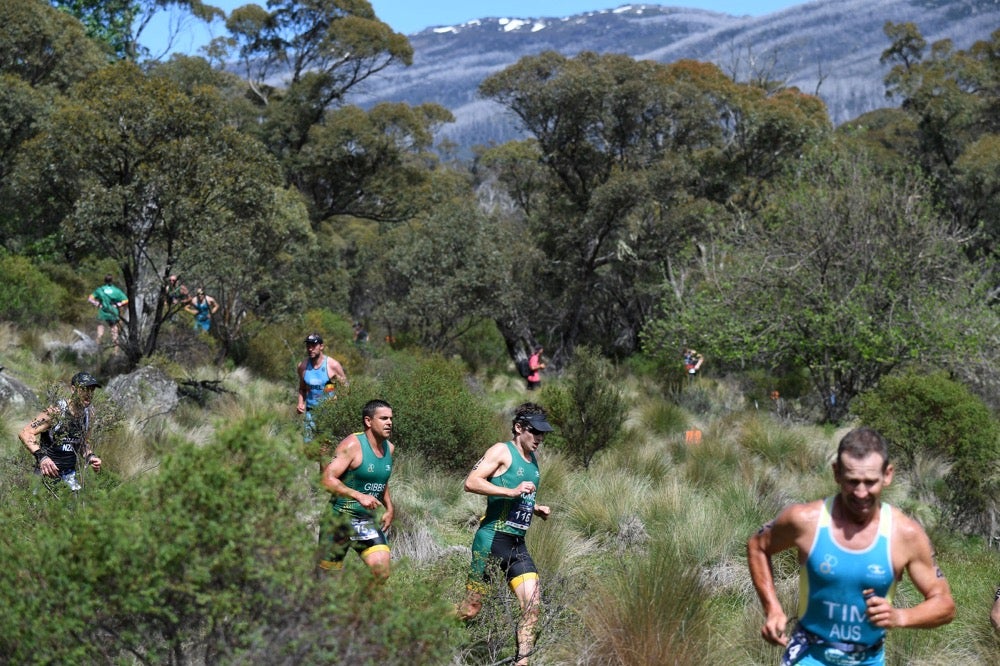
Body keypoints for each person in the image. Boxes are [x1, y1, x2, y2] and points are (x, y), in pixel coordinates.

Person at [747, 427, 955, 666]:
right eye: (852, 481)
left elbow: (944, 604)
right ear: (836, 473)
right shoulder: (806, 520)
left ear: (888, 475)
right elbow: (758, 545)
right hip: (810, 655)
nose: (861, 492)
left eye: (870, 482)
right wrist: (772, 608)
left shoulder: (905, 535)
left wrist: (901, 616)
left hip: (868, 659)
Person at [457, 402, 554, 666]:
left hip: (516, 544)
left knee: (532, 606)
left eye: (543, 433)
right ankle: (428, 629)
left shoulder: (532, 460)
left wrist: (534, 508)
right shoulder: (502, 451)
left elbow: (519, 493)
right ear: (519, 427)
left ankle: (521, 663)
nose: (540, 438)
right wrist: (510, 493)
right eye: (535, 432)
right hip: (491, 540)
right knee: (470, 609)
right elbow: (471, 482)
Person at [318, 399, 395, 580]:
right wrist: (358, 495)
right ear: (368, 421)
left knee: (381, 573)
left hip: (364, 521)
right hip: (338, 520)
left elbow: (381, 480)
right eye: (384, 418)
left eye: (391, 418)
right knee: (325, 581)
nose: (389, 423)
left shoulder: (389, 448)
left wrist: (390, 508)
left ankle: (358, 607)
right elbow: (326, 479)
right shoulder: (352, 445)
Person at [18, 372, 103, 492]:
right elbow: (25, 432)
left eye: (92, 390)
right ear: (73, 389)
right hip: (45, 475)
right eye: (84, 389)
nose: (88, 394)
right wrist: (42, 457)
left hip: (69, 476)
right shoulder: (56, 411)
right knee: (36, 508)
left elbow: (82, 443)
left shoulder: (89, 414)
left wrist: (90, 456)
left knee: (76, 508)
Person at [296, 333, 349, 445]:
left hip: (328, 413)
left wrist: (336, 397)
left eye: (313, 346)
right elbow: (302, 389)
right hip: (311, 412)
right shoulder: (303, 366)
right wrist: (300, 403)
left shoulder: (333, 365)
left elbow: (346, 387)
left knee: (325, 448)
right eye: (308, 346)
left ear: (321, 346)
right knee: (309, 449)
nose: (310, 349)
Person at [88, 274, 128, 347]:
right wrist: (118, 304)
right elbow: (126, 300)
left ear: (104, 280)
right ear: (112, 281)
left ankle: (97, 349)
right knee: (114, 333)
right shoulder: (116, 291)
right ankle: (115, 352)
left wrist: (97, 304)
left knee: (100, 332)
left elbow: (90, 298)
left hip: (103, 312)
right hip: (113, 313)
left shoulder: (100, 290)